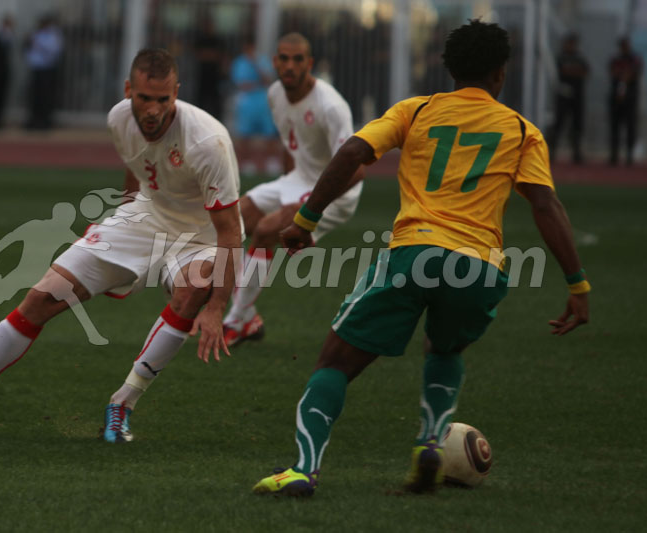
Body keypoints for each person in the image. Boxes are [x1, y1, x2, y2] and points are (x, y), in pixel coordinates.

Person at [252, 20, 590, 497]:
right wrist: (577, 285)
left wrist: (305, 221)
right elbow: (544, 204)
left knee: (334, 361)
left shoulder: (418, 110)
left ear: (448, 68)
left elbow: (352, 152)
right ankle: (429, 442)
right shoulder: (521, 130)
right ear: (501, 73)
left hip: (416, 252)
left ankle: (304, 470)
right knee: (445, 348)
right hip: (479, 268)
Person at [0, 49, 243, 444]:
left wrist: (216, 307)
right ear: (129, 89)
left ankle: (122, 406)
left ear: (176, 93)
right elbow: (138, 165)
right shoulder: (118, 119)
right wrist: (121, 221)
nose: (153, 109)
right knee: (43, 296)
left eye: (163, 99)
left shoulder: (207, 142)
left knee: (193, 288)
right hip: (146, 217)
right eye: (145, 97)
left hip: (202, 235)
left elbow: (230, 231)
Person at [221, 33, 365, 347]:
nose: (290, 65)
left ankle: (235, 319)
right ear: (274, 62)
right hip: (299, 179)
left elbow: (358, 167)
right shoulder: (275, 93)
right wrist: (288, 194)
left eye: (297, 59)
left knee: (266, 230)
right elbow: (291, 144)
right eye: (283, 58)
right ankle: (246, 317)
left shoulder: (330, 106)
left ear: (309, 64)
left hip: (335, 192)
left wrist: (310, 208)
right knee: (234, 219)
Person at [230, 36, 278, 174]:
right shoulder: (239, 63)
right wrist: (257, 84)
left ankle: (269, 161)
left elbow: (268, 79)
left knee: (269, 133)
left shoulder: (262, 60)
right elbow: (242, 84)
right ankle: (246, 162)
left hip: (262, 102)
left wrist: (256, 64)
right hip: (246, 103)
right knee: (245, 134)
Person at [547, 33, 589, 164]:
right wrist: (574, 71)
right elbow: (564, 71)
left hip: (577, 97)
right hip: (563, 96)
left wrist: (572, 71)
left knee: (577, 125)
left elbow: (585, 72)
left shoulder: (580, 58)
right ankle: (552, 151)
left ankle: (576, 153)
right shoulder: (561, 57)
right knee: (559, 123)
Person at [24, 14, 63, 130]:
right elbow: (29, 50)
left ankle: (45, 121)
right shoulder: (36, 34)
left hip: (47, 69)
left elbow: (53, 51)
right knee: (34, 96)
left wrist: (38, 44)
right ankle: (34, 120)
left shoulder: (53, 35)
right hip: (36, 68)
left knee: (46, 96)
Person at [608, 37, 643, 166]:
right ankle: (614, 155)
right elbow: (614, 72)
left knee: (630, 127)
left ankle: (629, 155)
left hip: (630, 98)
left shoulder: (634, 58)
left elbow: (633, 73)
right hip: (616, 99)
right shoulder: (616, 59)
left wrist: (624, 76)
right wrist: (623, 76)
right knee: (615, 127)